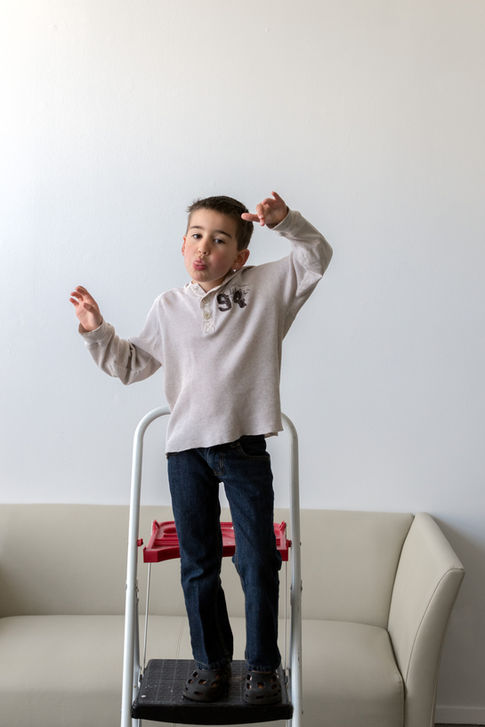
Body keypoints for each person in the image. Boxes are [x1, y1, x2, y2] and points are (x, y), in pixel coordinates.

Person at [70, 191, 332, 705]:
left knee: (257, 560)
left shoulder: (267, 288)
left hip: (243, 447)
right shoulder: (168, 306)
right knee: (197, 563)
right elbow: (131, 365)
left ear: (240, 255)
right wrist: (96, 331)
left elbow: (316, 256)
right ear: (182, 243)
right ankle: (210, 664)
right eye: (195, 235)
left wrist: (287, 222)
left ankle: (262, 666)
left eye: (219, 240)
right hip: (186, 451)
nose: (204, 247)